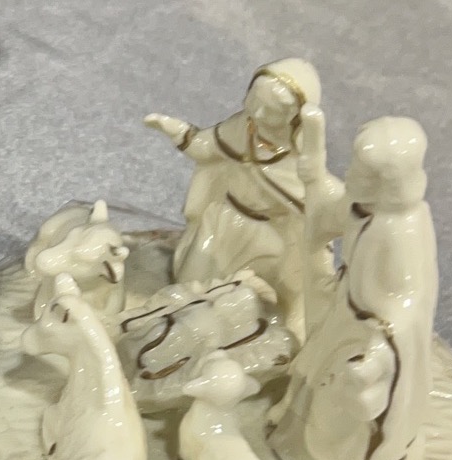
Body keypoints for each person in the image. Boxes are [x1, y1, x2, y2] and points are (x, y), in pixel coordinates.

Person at [269, 117, 437, 460]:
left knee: (340, 403)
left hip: (372, 335)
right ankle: (295, 443)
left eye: (360, 171)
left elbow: (410, 299)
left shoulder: (402, 231)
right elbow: (332, 212)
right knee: (313, 374)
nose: (350, 174)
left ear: (386, 182)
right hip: (346, 316)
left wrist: (381, 341)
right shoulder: (364, 206)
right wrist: (315, 177)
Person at [144, 57, 340, 335]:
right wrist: (176, 130)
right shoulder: (241, 128)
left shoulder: (300, 164)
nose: (257, 114)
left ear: (294, 118)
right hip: (223, 220)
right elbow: (205, 147)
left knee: (266, 303)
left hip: (270, 238)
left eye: (271, 111)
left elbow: (322, 207)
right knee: (190, 283)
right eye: (254, 102)